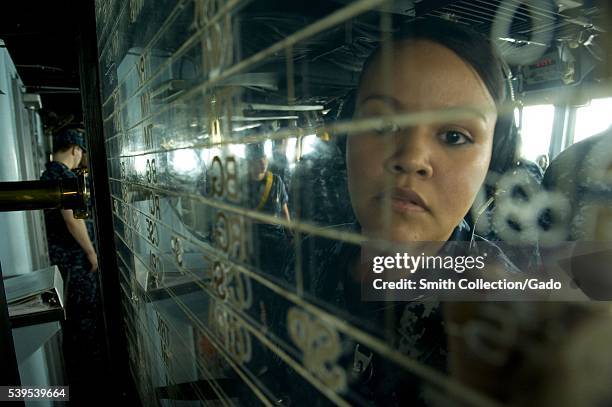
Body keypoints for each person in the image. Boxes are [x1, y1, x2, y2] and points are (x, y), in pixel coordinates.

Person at [274, 19, 523, 406]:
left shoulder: (507, 323)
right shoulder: (309, 257)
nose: (410, 159)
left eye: (454, 136)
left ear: (496, 161)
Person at [40, 128, 104, 396]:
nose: (80, 159)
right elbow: (71, 218)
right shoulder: (63, 176)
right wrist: (91, 252)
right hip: (74, 261)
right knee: (84, 317)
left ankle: (79, 377)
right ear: (75, 150)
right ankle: (88, 381)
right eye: (81, 153)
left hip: (62, 259)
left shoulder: (48, 173)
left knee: (75, 318)